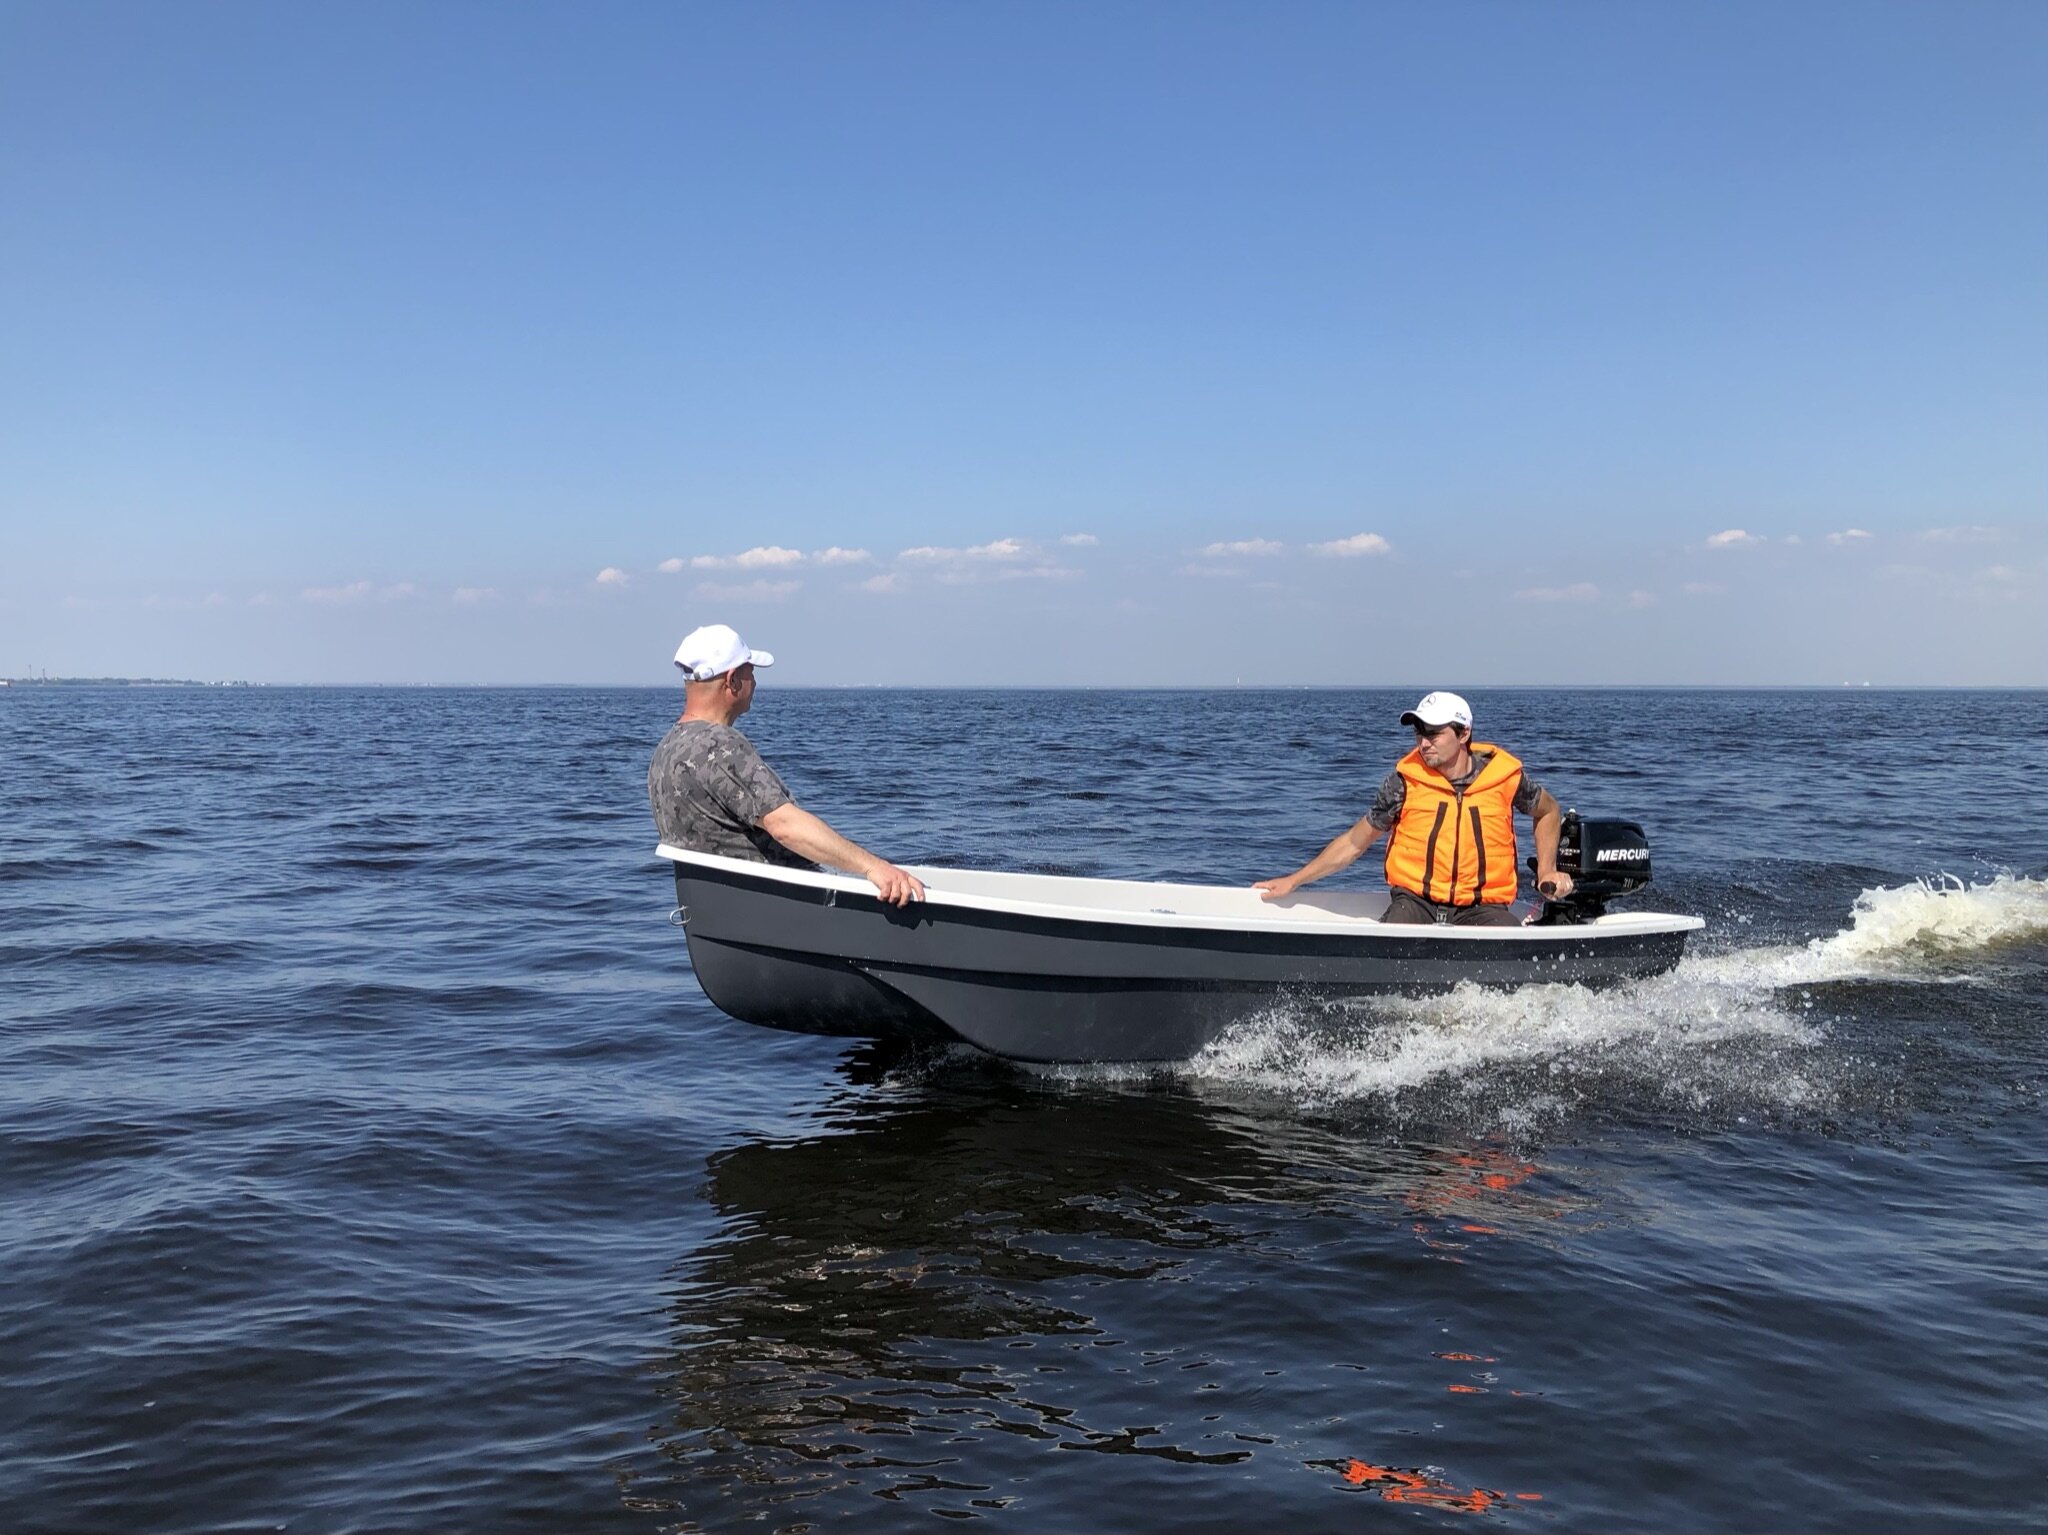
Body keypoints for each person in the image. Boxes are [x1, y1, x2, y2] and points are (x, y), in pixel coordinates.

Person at [648, 623, 925, 906]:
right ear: (731, 680)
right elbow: (784, 825)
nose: (754, 682)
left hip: (721, 906)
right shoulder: (719, 745)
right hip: (779, 907)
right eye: (750, 672)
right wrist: (873, 867)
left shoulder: (667, 748)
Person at [1253, 691, 1574, 925]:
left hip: (1483, 908)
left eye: (1434, 734)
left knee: (1508, 941)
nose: (1423, 743)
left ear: (1463, 734)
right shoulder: (1403, 783)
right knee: (1396, 928)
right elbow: (1354, 843)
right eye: (1419, 733)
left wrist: (1547, 869)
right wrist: (1295, 880)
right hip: (1415, 904)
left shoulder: (1506, 779)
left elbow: (1548, 811)